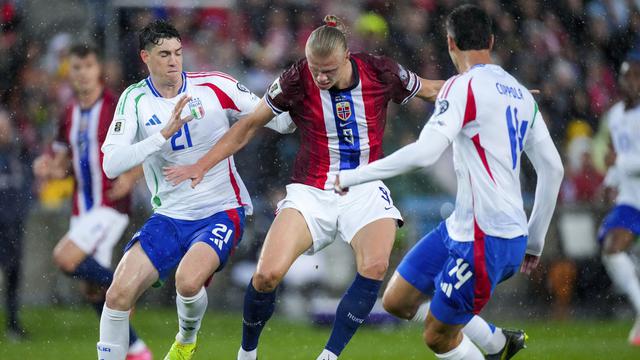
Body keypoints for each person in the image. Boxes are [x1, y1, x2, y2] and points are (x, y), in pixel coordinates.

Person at [165, 15, 507, 360]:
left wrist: (487, 90)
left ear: (347, 57)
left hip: (365, 187)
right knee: (266, 275)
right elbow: (250, 125)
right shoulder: (296, 78)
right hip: (311, 191)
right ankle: (247, 353)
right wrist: (202, 164)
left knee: (374, 267)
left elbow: (433, 89)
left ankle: (329, 356)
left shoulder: (379, 71)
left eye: (329, 70)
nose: (321, 77)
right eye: (316, 70)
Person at [334, 5, 564, 359]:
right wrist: (534, 239)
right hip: (469, 228)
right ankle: (499, 344)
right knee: (397, 300)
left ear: (450, 43)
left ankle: (491, 349)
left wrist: (354, 175)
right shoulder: (519, 92)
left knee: (438, 337)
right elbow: (553, 169)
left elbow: (424, 153)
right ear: (490, 40)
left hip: (487, 238)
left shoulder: (461, 88)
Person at [97, 20, 295, 360]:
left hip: (221, 210)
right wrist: (160, 136)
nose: (173, 61)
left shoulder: (215, 86)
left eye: (177, 53)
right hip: (169, 217)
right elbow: (111, 164)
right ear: (146, 57)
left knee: (188, 282)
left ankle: (186, 340)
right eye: (163, 55)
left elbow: (280, 121)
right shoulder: (134, 100)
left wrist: (292, 94)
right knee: (116, 295)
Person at [32, 43, 151, 360]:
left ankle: (126, 288)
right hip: (80, 207)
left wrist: (131, 176)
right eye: (76, 68)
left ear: (98, 69)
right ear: (70, 72)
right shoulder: (69, 111)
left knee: (66, 258)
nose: (82, 74)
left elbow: (147, 143)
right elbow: (62, 157)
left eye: (87, 67)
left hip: (109, 205)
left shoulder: (115, 105)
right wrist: (49, 167)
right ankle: (137, 351)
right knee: (91, 290)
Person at [598, 54, 640, 346]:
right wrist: (609, 181)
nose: (633, 82)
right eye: (629, 76)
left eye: (637, 76)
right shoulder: (614, 116)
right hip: (631, 199)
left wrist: (619, 162)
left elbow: (620, 157)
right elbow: (615, 158)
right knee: (612, 247)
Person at [0, 109, 31, 341]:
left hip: (13, 227)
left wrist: (20, 212)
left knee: (13, 276)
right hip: (5, 223)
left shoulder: (17, 155)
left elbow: (26, 188)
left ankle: (12, 324)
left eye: (4, 128)